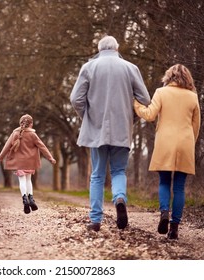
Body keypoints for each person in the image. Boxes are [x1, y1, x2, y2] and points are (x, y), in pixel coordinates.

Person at [70, 35, 151, 231]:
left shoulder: (89, 67)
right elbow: (145, 99)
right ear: (117, 48)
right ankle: (120, 198)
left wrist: (87, 118)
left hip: (96, 130)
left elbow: (75, 99)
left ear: (99, 49)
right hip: (122, 129)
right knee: (118, 171)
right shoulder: (130, 68)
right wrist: (130, 118)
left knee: (97, 175)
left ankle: (96, 220)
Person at [134, 64, 200, 239]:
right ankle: (174, 228)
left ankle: (164, 212)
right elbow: (196, 125)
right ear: (187, 78)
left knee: (164, 181)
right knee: (179, 187)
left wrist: (136, 104)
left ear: (168, 77)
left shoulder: (161, 92)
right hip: (185, 143)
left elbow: (149, 115)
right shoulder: (193, 97)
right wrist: (189, 142)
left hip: (165, 142)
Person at [0, 114, 56, 214]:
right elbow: (42, 147)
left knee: (22, 181)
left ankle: (25, 199)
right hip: (30, 162)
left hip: (18, 163)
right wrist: (50, 158)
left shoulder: (15, 133)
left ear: (20, 123)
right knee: (29, 180)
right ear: (31, 124)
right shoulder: (33, 135)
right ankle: (31, 199)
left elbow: (7, 146)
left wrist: (1, 157)